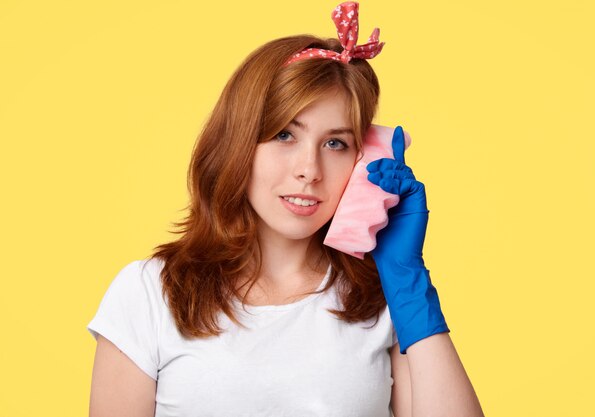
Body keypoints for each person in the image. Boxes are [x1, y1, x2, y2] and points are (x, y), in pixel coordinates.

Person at [87, 2, 484, 416]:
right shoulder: (149, 294)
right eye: (283, 135)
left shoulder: (385, 300)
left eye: (336, 143)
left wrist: (409, 282)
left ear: (364, 160)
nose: (309, 171)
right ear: (237, 142)